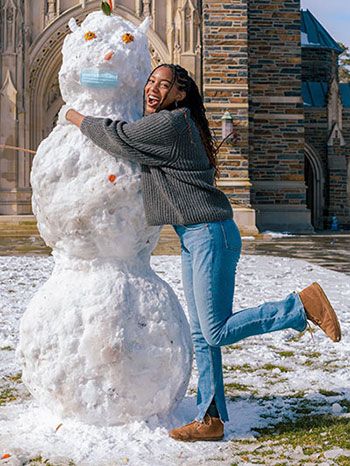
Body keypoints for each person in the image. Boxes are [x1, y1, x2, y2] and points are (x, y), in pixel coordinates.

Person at [61, 64, 342, 442]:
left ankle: (299, 306)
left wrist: (75, 116)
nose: (154, 88)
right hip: (195, 236)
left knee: (215, 329)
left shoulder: (173, 123)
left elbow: (121, 137)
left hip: (211, 233)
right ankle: (210, 418)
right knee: (202, 334)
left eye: (164, 84)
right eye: (151, 81)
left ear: (180, 94)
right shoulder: (171, 124)